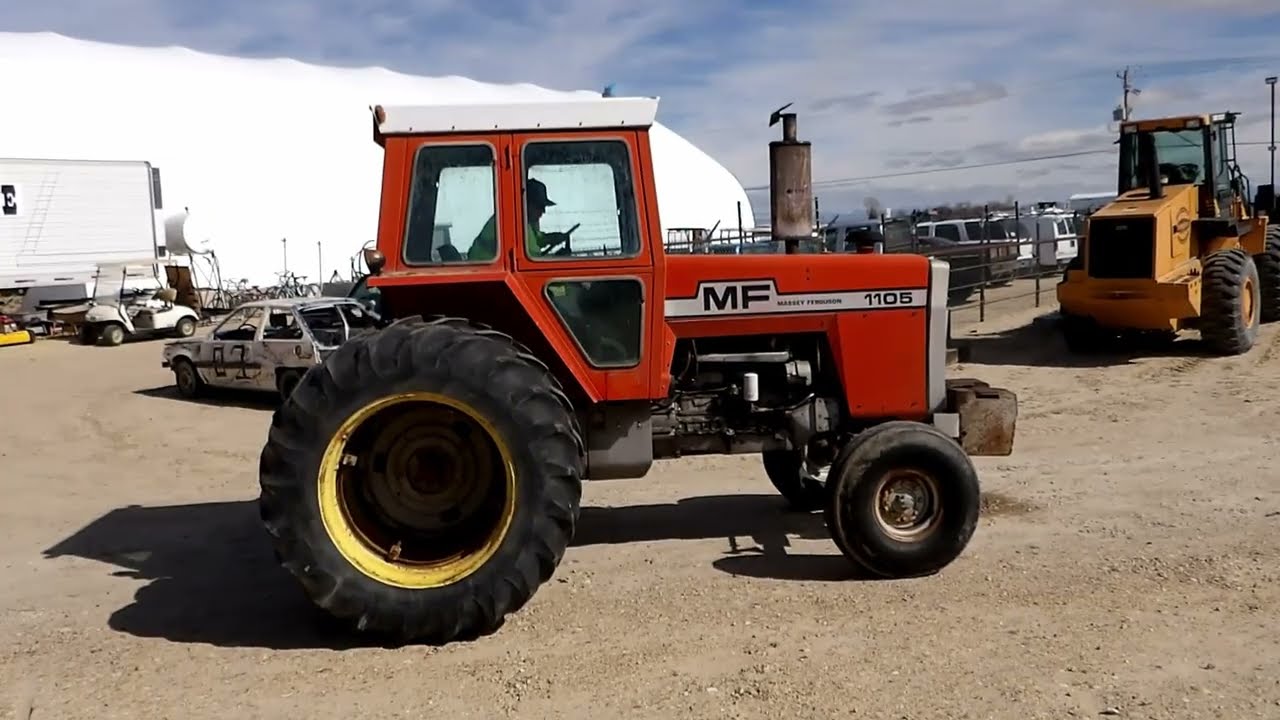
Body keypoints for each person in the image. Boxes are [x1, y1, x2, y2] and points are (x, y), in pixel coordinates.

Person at [467, 178, 572, 261]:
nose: (543, 211)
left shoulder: (518, 220)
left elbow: (535, 239)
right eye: (539, 206)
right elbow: (534, 262)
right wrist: (558, 258)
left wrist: (552, 238)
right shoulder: (514, 225)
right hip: (488, 278)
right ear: (525, 203)